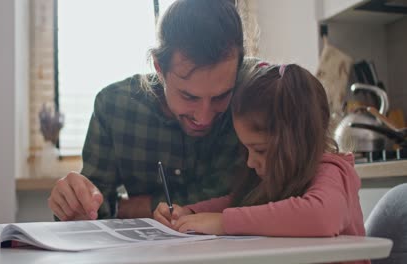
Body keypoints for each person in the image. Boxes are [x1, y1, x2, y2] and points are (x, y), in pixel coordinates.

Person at [48, 0, 256, 221]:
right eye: (189, 96)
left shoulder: (254, 99)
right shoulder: (113, 107)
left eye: (221, 96)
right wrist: (74, 202)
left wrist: (130, 207)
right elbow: (97, 205)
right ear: (159, 68)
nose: (204, 117)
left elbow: (243, 198)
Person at [153, 63, 368, 253]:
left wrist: (224, 223)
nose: (250, 161)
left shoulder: (332, 171)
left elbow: (322, 217)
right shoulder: (277, 178)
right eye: (246, 150)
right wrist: (190, 212)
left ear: (297, 142)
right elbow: (238, 202)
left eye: (261, 150)